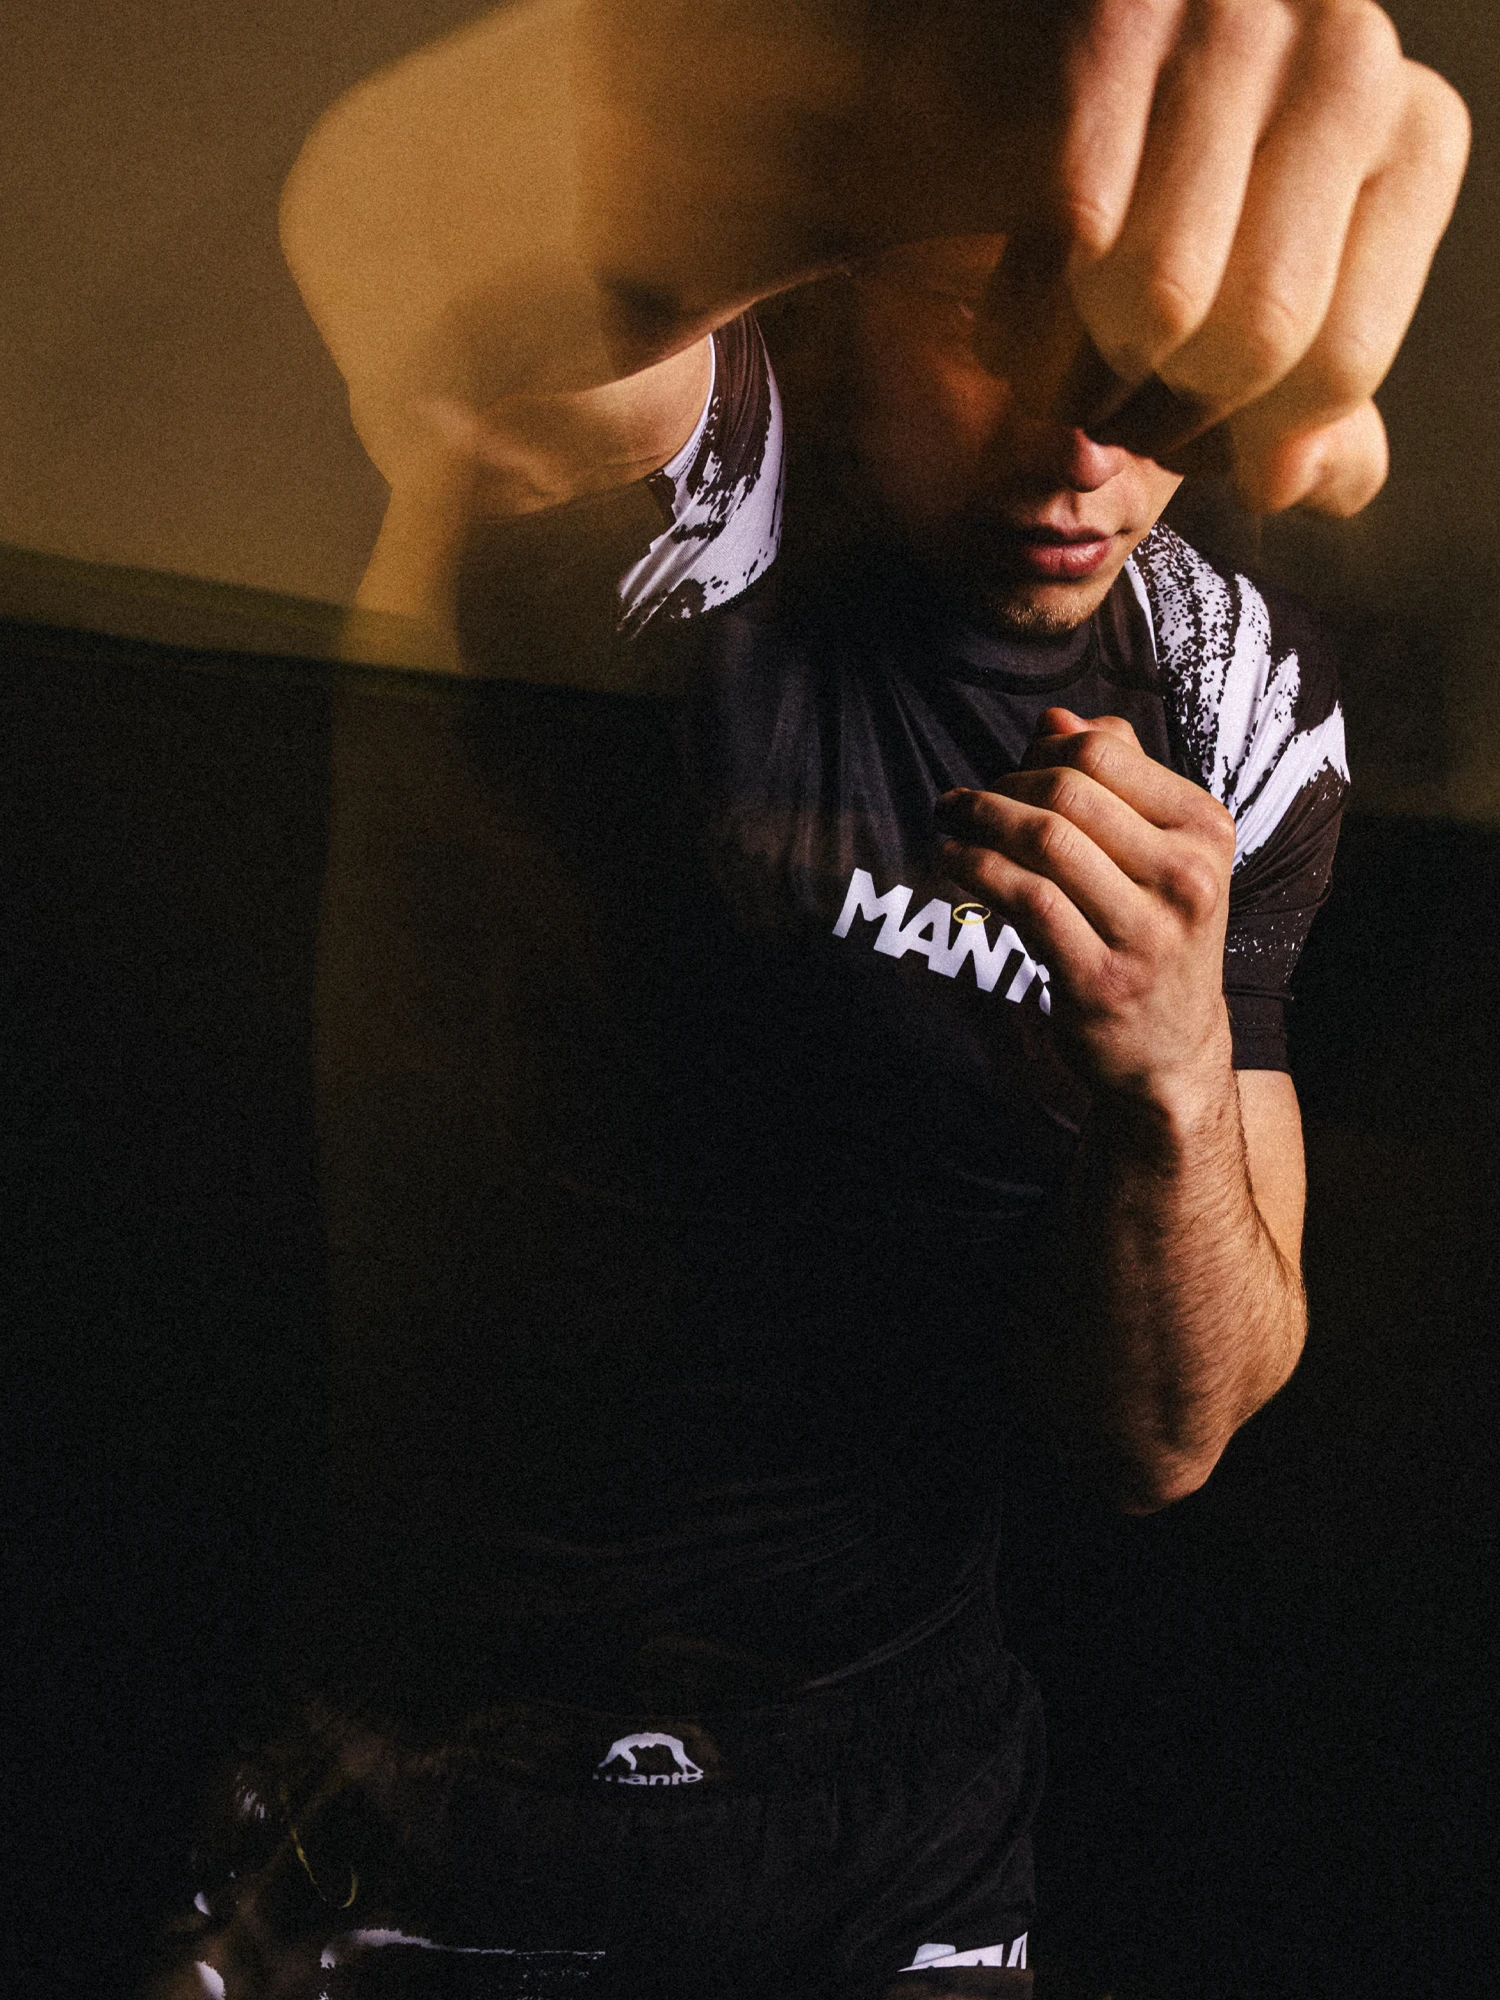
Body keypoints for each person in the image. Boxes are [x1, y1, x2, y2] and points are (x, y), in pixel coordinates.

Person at [152, 4, 1467, 1997]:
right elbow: (412, 244)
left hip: (892, 1808)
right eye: (999, 314)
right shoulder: (703, 481)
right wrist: (919, 87)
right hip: (444, 1775)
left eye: (1157, 364)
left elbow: (1166, 1437)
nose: (1086, 442)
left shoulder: (1228, 700)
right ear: (846, 287)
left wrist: (1173, 1082)